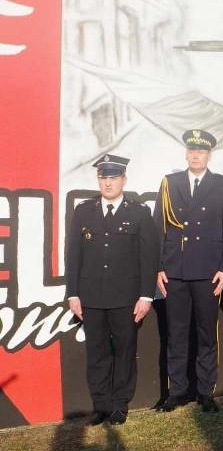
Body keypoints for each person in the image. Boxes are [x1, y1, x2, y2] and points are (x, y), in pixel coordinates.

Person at [65, 154, 158, 425]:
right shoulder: (84, 211)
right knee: (97, 353)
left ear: (124, 180)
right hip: (91, 297)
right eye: (103, 177)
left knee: (125, 351)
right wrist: (73, 293)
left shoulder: (139, 212)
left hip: (126, 298)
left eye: (113, 177)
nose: (108, 183)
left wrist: (145, 295)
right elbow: (74, 256)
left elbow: (148, 258)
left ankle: (120, 405)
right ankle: (102, 406)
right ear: (99, 180)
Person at [153, 130, 223, 414]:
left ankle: (205, 392)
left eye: (200, 152)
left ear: (209, 155)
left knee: (206, 334)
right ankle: (177, 392)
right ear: (186, 153)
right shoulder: (170, 183)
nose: (195, 155)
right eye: (191, 151)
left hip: (208, 272)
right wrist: (158, 267)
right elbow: (158, 228)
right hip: (175, 270)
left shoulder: (221, 184)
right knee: (176, 334)